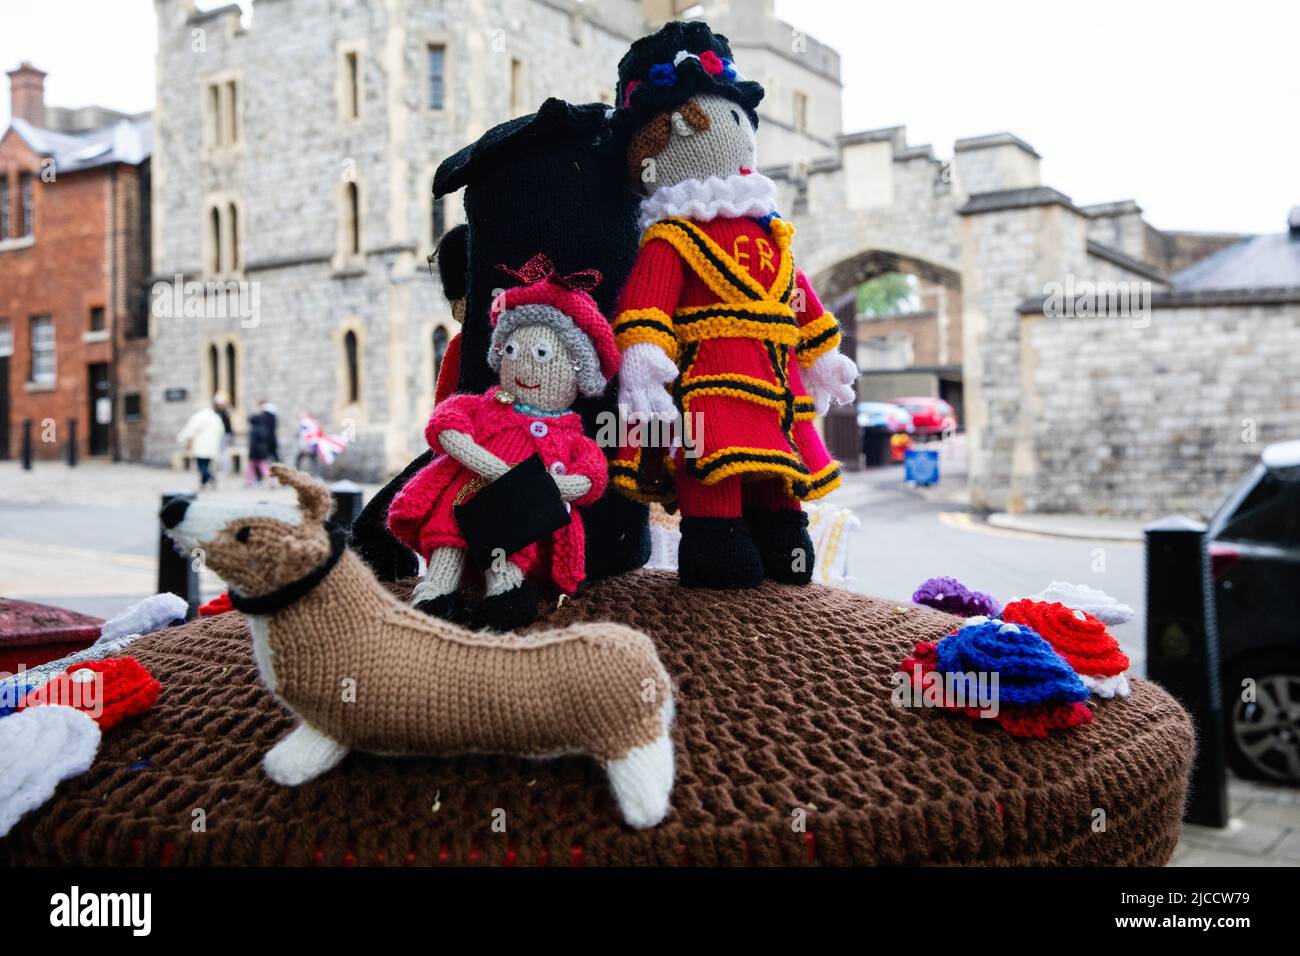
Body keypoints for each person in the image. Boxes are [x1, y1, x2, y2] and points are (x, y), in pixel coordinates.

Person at [177, 396, 227, 491]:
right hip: (212, 446)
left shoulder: (199, 417)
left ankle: (210, 478)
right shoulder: (215, 418)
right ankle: (203, 484)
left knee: (202, 466)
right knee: (206, 465)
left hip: (201, 446)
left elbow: (190, 429)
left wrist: (183, 439)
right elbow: (221, 431)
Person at [246, 400, 279, 487]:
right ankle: (269, 481)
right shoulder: (267, 424)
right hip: (262, 448)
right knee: (259, 465)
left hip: (257, 450)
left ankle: (269, 481)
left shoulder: (258, 426)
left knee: (259, 465)